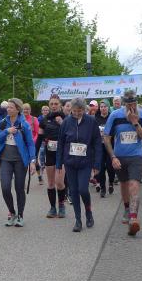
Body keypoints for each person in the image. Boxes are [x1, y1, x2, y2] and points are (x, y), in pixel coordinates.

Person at [103, 89, 142, 236]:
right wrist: (113, 157)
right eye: (129, 104)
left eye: (134, 103)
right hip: (120, 156)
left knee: (134, 185)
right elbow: (106, 138)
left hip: (136, 156)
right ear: (124, 103)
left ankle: (133, 218)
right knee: (124, 185)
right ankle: (127, 208)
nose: (132, 106)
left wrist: (135, 123)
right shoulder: (115, 115)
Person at [56, 97, 102, 232]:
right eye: (74, 111)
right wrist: (59, 163)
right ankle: (78, 220)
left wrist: (97, 164)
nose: (77, 113)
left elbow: (97, 143)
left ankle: (88, 211)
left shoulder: (91, 121)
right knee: (74, 191)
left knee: (83, 189)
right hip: (70, 162)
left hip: (85, 162)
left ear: (84, 109)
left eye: (80, 110)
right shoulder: (66, 122)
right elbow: (61, 143)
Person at [0, 98, 36, 227]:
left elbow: (30, 144)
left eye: (11, 107)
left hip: (20, 160)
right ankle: (12, 212)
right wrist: (7, 131)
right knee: (5, 187)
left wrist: (32, 160)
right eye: (8, 107)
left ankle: (20, 215)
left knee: (19, 188)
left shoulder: (24, 124)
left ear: (18, 109)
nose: (8, 109)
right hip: (5, 159)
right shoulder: (3, 123)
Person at [42, 94, 68, 218]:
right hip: (49, 154)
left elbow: (71, 134)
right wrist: (33, 157)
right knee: (51, 183)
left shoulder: (66, 119)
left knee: (59, 182)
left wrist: (62, 123)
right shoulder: (44, 120)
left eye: (56, 104)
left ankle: (61, 205)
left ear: (60, 105)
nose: (53, 106)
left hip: (62, 155)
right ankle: (52, 208)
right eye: (51, 104)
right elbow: (39, 138)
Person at [93, 100, 115, 197]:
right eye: (101, 107)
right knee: (101, 168)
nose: (103, 108)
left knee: (110, 167)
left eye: (105, 106)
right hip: (99, 146)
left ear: (108, 107)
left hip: (110, 145)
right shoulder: (95, 118)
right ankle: (103, 188)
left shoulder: (112, 118)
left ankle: (111, 183)